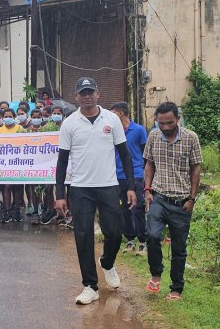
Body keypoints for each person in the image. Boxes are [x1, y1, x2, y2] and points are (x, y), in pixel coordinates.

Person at [55, 77, 136, 306]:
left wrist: (130, 186)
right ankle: (90, 286)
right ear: (76, 96)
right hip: (80, 188)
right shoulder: (70, 123)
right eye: (83, 93)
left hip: (108, 185)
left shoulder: (111, 120)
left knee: (115, 231)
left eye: (90, 92)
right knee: (83, 236)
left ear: (98, 94)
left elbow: (125, 155)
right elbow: (62, 162)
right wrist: (60, 194)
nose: (87, 96)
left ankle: (107, 263)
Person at [143, 101, 203, 301]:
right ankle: (156, 273)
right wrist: (147, 191)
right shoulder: (153, 136)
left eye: (170, 123)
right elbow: (149, 164)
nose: (166, 127)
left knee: (179, 248)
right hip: (158, 197)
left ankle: (176, 288)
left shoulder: (190, 138)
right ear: (157, 121)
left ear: (177, 119)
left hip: (182, 202)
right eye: (161, 123)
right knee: (152, 235)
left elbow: (196, 169)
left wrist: (192, 198)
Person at [111, 101, 149, 255]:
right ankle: (130, 239)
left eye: (113, 113)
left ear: (120, 113)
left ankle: (143, 241)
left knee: (137, 207)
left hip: (136, 175)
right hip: (118, 175)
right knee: (123, 209)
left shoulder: (139, 130)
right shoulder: (113, 131)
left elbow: (145, 154)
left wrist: (146, 176)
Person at [0, 108, 26, 223]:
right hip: (4, 163)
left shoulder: (20, 129)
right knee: (6, 186)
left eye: (10, 116)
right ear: (3, 118)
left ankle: (16, 210)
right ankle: (7, 210)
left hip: (18, 162)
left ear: (14, 117)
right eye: (6, 116)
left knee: (17, 186)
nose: (8, 118)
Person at [39, 105, 65, 225]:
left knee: (65, 188)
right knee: (48, 188)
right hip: (49, 162)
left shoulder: (67, 126)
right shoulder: (46, 127)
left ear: (63, 115)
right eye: (54, 113)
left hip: (65, 162)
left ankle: (66, 212)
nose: (56, 115)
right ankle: (51, 209)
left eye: (58, 113)